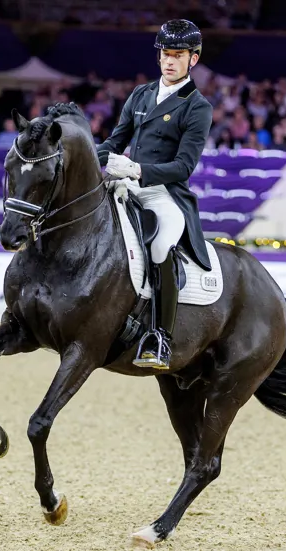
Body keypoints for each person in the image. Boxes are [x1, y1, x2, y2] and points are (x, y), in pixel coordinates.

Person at [96, 19, 214, 370]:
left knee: (161, 246)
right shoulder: (141, 94)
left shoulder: (197, 106)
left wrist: (136, 169)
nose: (169, 61)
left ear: (193, 59)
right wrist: (83, 155)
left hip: (164, 193)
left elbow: (184, 166)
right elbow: (115, 142)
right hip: (127, 185)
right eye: (165, 54)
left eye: (178, 55)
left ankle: (160, 336)